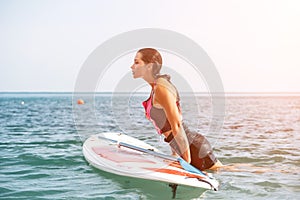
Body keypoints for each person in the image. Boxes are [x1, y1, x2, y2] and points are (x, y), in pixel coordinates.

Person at [130, 48, 223, 171]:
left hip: (194, 149)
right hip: (186, 148)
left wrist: (186, 163)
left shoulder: (161, 88)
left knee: (226, 171)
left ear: (149, 66)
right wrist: (174, 154)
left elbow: (177, 126)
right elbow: (168, 125)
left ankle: (256, 172)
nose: (132, 67)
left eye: (137, 62)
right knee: (226, 169)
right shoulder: (156, 87)